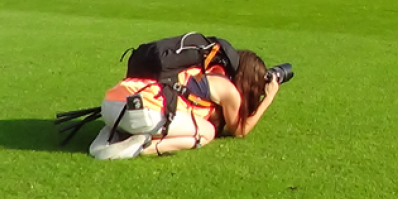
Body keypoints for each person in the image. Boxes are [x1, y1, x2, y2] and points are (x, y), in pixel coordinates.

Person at [88, 48, 280, 159]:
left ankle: (114, 131)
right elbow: (239, 130)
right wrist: (269, 98)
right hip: (141, 113)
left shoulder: (203, 69)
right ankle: (143, 148)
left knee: (190, 120)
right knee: (207, 132)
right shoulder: (228, 90)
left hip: (111, 104)